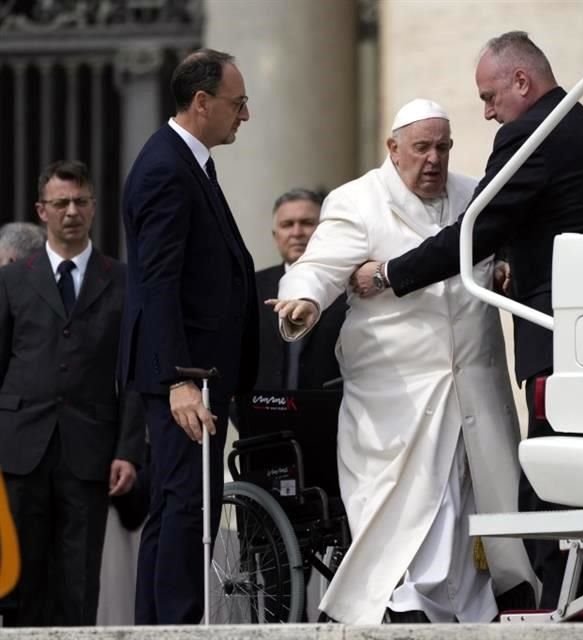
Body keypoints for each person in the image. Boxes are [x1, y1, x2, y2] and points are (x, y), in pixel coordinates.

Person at [350, 31, 583, 610]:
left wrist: (391, 275)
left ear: (521, 82)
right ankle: (582, 597)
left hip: (554, 329)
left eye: (489, 95)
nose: (487, 110)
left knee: (548, 475)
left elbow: (475, 228)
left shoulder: (528, 135)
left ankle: (560, 606)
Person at [270, 98, 538, 624]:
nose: (433, 159)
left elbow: (498, 248)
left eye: (442, 147)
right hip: (396, 399)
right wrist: (303, 298)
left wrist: (505, 266)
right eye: (421, 148)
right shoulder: (359, 201)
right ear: (393, 149)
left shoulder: (472, 195)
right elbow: (321, 265)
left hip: (473, 387)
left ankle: (465, 612)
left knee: (467, 510)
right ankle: (407, 606)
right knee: (411, 510)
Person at [119, 48, 259, 625]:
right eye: (238, 103)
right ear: (202, 102)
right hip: (186, 376)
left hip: (199, 371)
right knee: (187, 506)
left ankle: (158, 626)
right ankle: (172, 627)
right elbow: (158, 281)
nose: (244, 116)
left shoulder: (186, 161)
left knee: (180, 504)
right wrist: (178, 379)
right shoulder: (165, 168)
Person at [0, 160, 143, 626]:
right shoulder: (12, 280)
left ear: (94, 207)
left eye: (81, 201)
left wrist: (128, 450)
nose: (71, 211)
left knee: (79, 580)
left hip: (91, 450)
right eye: (60, 203)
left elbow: (136, 372)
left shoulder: (123, 281)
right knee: (22, 579)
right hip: (21, 448)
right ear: (42, 210)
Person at [253, 188, 345, 391]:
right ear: (275, 235)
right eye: (287, 225)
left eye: (307, 223)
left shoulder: (348, 286)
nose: (297, 232)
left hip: (335, 414)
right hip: (263, 415)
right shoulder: (252, 286)